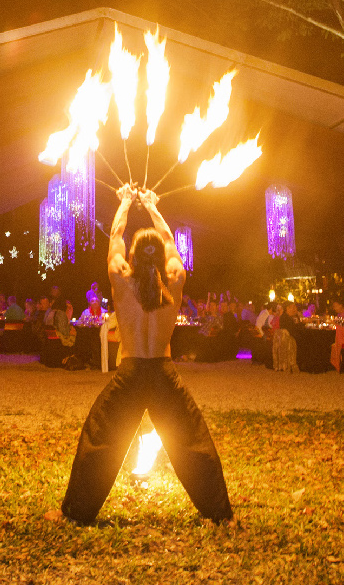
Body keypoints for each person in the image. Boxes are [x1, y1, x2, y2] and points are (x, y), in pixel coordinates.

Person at [60, 183, 232, 525]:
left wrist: (126, 202)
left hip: (131, 373)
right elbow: (168, 239)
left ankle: (76, 514)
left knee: (99, 438)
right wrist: (153, 206)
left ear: (134, 256)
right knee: (193, 441)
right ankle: (221, 515)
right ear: (160, 257)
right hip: (163, 373)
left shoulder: (121, 280)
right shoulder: (175, 279)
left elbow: (115, 236)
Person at [272, 301, 301, 373]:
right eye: (292, 307)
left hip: (291, 336)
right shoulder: (285, 317)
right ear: (287, 308)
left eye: (295, 307)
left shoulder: (292, 317)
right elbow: (292, 330)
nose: (295, 309)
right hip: (288, 339)